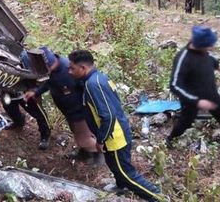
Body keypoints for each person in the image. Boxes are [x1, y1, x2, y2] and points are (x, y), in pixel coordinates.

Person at [68, 50, 162, 202]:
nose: (69, 72)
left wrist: (100, 140)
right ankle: (120, 187)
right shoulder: (98, 77)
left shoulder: (93, 85)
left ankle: (158, 197)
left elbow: (108, 115)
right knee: (113, 164)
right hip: (117, 130)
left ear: (83, 68)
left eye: (72, 68)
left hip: (114, 137)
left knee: (127, 174)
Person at [166, 26, 220, 153]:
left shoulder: (204, 51)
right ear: (200, 44)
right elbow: (174, 85)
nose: (212, 47)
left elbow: (210, 59)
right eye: (209, 45)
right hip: (192, 98)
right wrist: (197, 102)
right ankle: (171, 139)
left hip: (210, 93)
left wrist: (218, 67)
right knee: (185, 122)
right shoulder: (183, 58)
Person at [23, 47, 103, 164]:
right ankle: (85, 152)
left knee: (83, 139)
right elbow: (48, 83)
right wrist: (36, 92)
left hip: (80, 113)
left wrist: (86, 113)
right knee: (77, 134)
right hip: (69, 112)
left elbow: (88, 91)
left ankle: (98, 157)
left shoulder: (70, 71)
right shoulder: (51, 71)